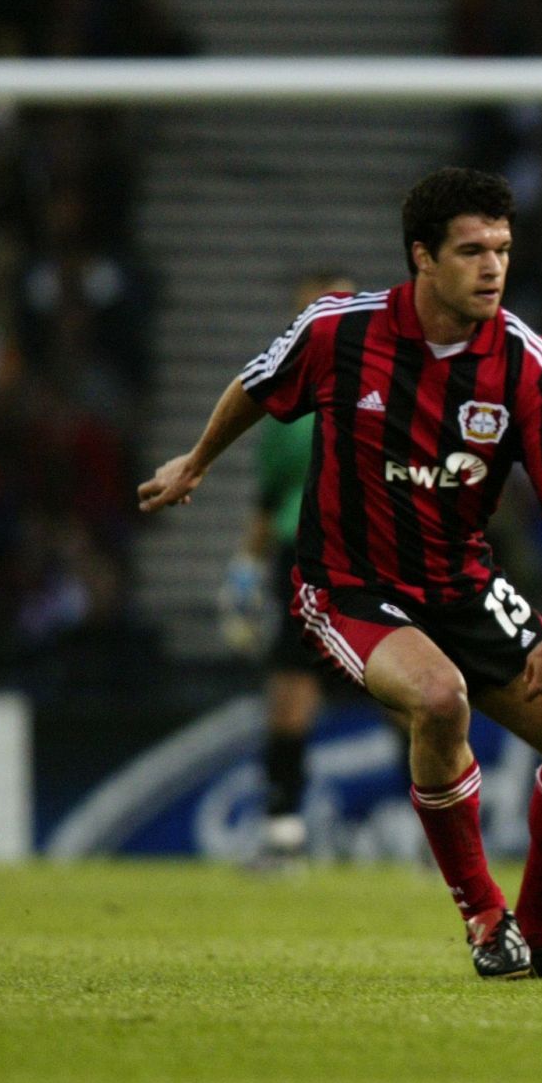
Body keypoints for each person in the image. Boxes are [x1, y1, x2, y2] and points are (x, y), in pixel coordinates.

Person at [140, 168, 542, 980]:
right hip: (347, 583)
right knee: (440, 699)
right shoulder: (337, 331)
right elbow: (257, 388)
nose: (492, 268)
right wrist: (195, 462)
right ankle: (483, 919)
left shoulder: (529, 366)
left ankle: (540, 936)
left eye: (502, 250)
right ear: (422, 259)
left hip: (462, 584)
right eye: (471, 251)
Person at [220, 269, 358, 866]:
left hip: (377, 555)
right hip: (301, 558)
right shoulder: (284, 410)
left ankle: (442, 834)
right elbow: (268, 502)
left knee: (414, 695)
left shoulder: (397, 391)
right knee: (291, 694)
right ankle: (282, 827)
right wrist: (243, 575)